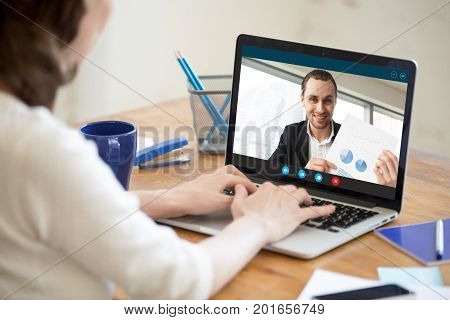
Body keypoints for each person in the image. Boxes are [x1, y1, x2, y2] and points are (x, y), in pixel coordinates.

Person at [0, 0, 335, 299]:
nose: (110, 8)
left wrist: (170, 198)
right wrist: (259, 223)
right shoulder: (39, 149)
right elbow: (178, 282)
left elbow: (56, 206)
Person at [268, 69, 399, 187]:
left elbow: (364, 190)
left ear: (335, 102)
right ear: (302, 100)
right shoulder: (291, 133)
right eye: (313, 99)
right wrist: (302, 174)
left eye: (327, 101)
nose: (320, 109)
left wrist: (387, 188)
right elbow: (268, 176)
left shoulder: (352, 136)